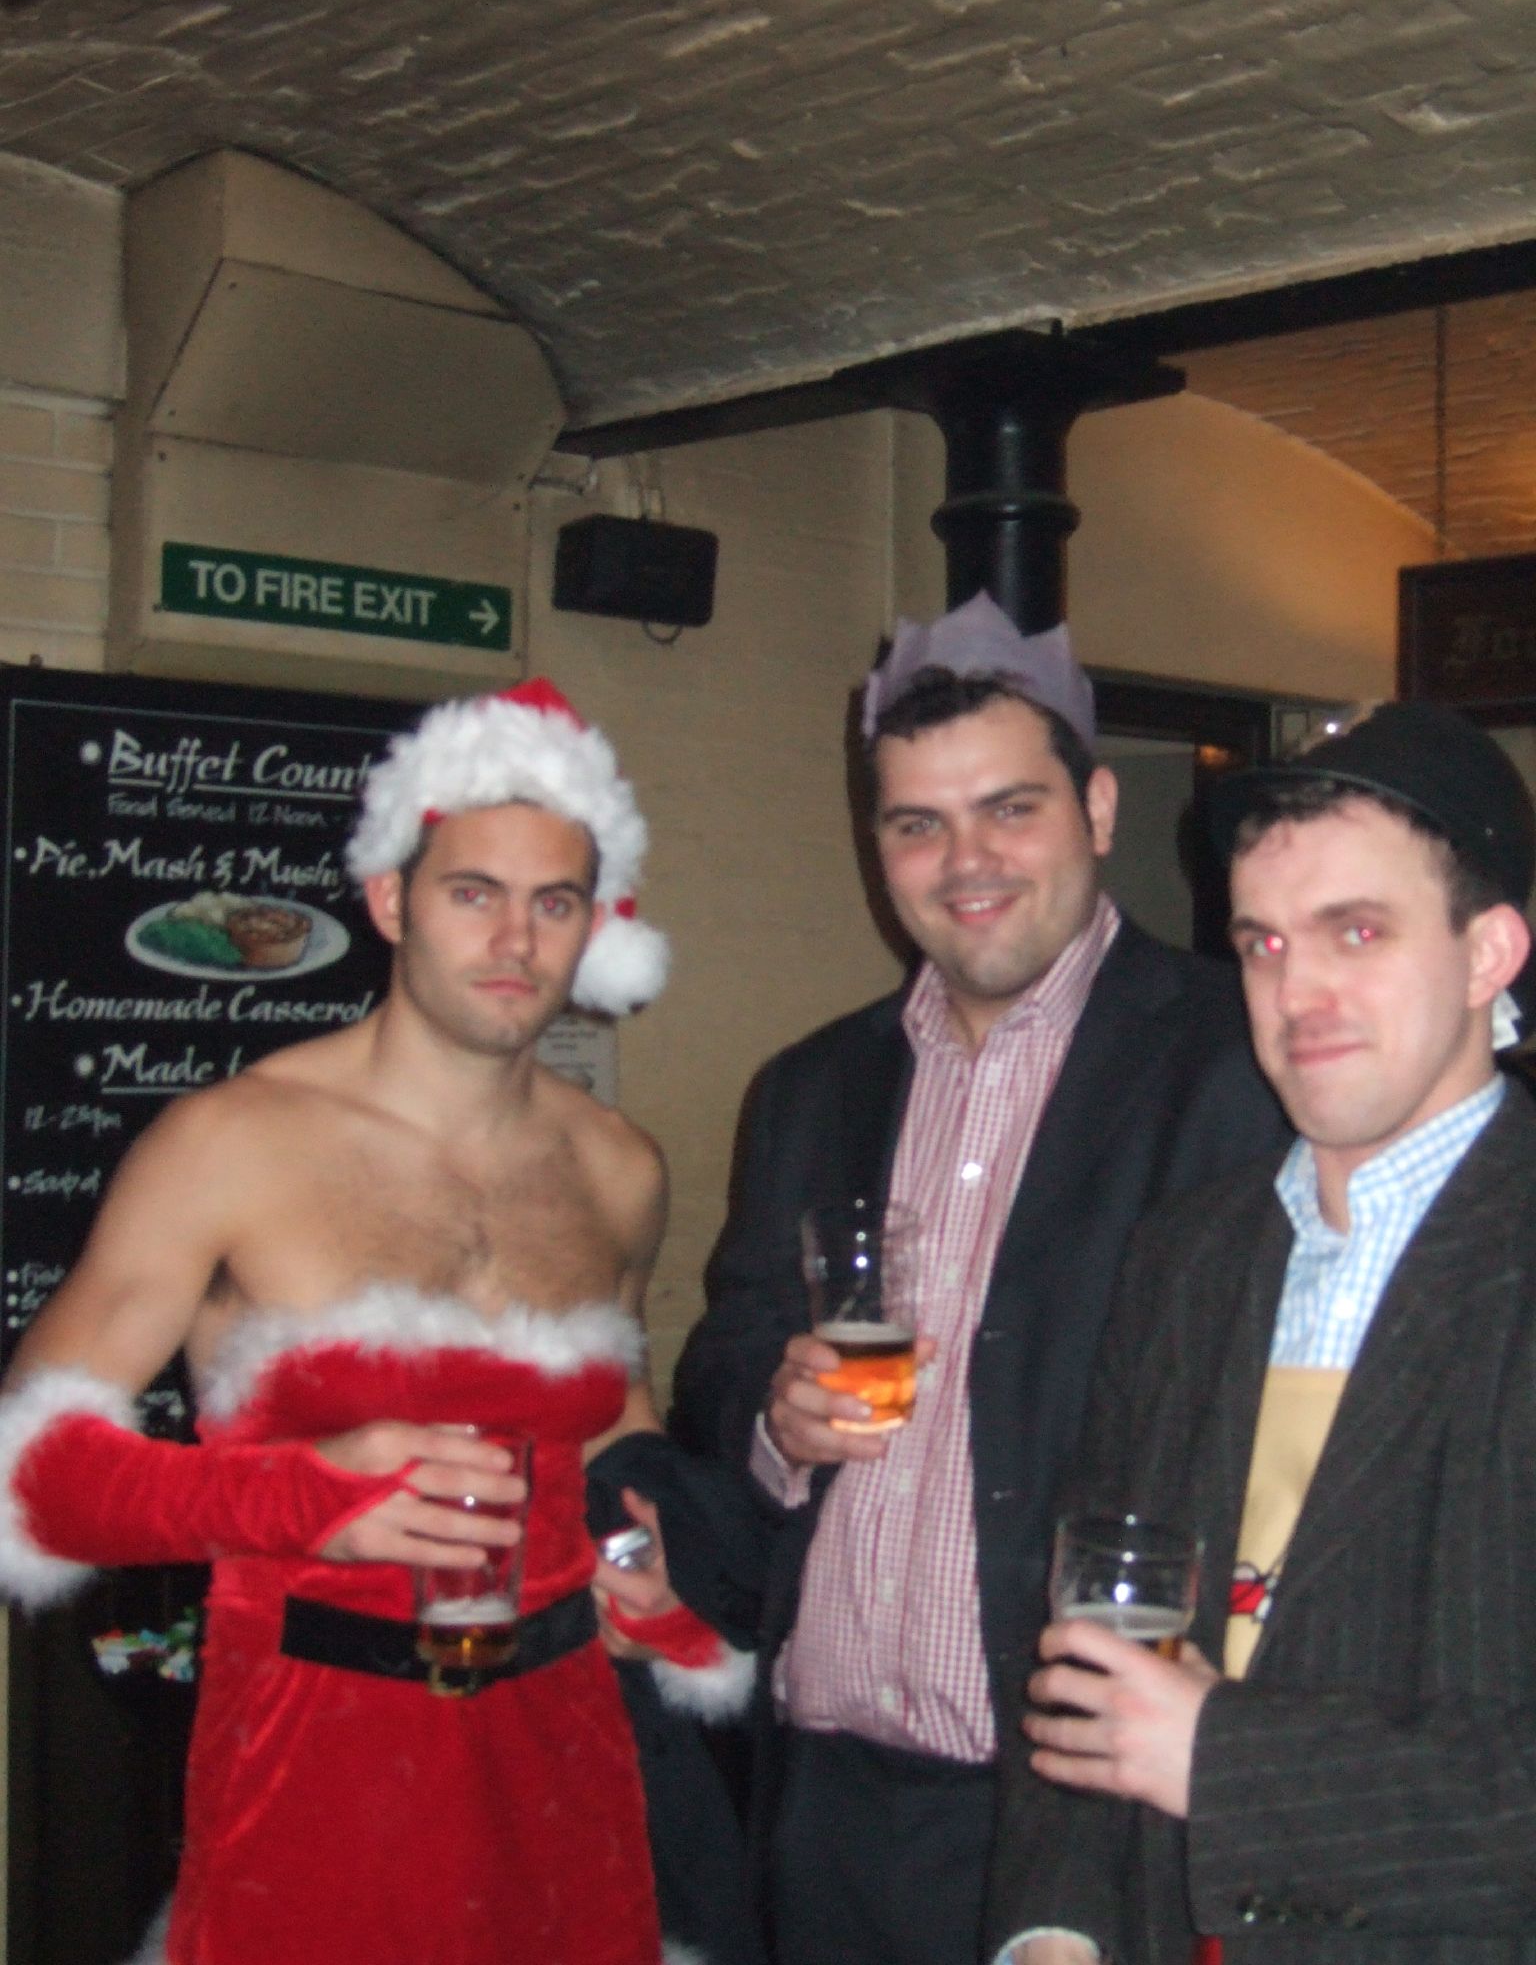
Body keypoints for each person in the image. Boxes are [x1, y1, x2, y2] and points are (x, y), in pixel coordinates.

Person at [0, 677, 736, 1965]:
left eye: (554, 901)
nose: (515, 938)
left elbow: (613, 1423)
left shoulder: (621, 1168)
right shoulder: (229, 1142)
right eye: (473, 892)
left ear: (596, 924)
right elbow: (36, 1479)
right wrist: (296, 1492)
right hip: (313, 1768)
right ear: (392, 899)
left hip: (567, 1766)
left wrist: (653, 1561)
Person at [670, 594, 1289, 1965]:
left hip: (1080, 1812)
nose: (966, 862)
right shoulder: (810, 1088)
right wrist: (775, 1415)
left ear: (1101, 809)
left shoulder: (1239, 1065)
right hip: (821, 1801)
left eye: (1011, 810)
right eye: (916, 824)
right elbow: (718, 1358)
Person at [988, 700, 1536, 1965]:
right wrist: (1053, 1928)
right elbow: (1090, 1634)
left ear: (1488, 952)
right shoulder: (1190, 1255)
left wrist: (1225, 1760)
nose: (1298, 992)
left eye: (1358, 930)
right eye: (1263, 942)